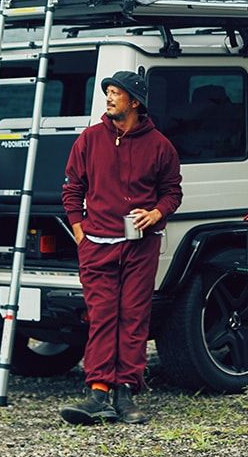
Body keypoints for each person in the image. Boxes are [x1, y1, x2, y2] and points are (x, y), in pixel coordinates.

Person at [59, 70, 182, 425]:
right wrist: (80, 233)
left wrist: (157, 212)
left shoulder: (160, 145)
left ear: (135, 101)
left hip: (140, 245)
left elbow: (172, 191)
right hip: (96, 244)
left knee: (134, 318)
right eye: (108, 92)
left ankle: (126, 392)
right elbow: (72, 189)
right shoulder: (90, 139)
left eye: (116, 93)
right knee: (101, 317)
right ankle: (98, 392)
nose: (109, 98)